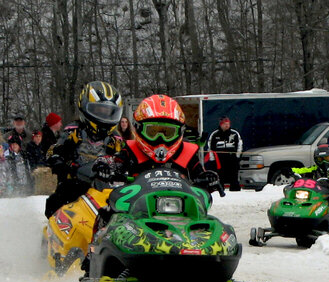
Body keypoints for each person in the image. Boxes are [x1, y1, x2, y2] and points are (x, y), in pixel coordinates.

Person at [44, 81, 125, 218]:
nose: (105, 117)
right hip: (75, 182)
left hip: (104, 185)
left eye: (109, 113)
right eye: (100, 111)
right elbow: (52, 151)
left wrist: (118, 157)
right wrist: (61, 155)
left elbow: (124, 159)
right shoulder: (74, 130)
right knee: (55, 203)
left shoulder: (115, 137)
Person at [113, 94, 220, 190]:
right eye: (153, 132)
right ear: (138, 128)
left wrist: (207, 179)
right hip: (138, 207)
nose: (160, 139)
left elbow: (199, 175)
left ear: (179, 132)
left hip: (181, 204)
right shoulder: (130, 150)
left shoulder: (187, 152)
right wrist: (108, 168)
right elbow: (116, 165)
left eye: (168, 132)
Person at [292, 145, 329, 215]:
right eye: (320, 159)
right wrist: (290, 171)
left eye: (326, 158)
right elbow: (301, 170)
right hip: (317, 195)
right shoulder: (314, 169)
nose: (324, 162)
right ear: (316, 159)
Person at [207, 116, 243, 191]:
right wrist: (212, 159)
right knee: (220, 175)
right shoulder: (215, 134)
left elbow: (240, 145)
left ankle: (235, 189)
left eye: (228, 124)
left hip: (232, 158)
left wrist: (237, 156)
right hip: (219, 159)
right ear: (221, 124)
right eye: (225, 124)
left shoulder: (234, 133)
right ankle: (220, 188)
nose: (227, 125)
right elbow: (210, 147)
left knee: (233, 174)